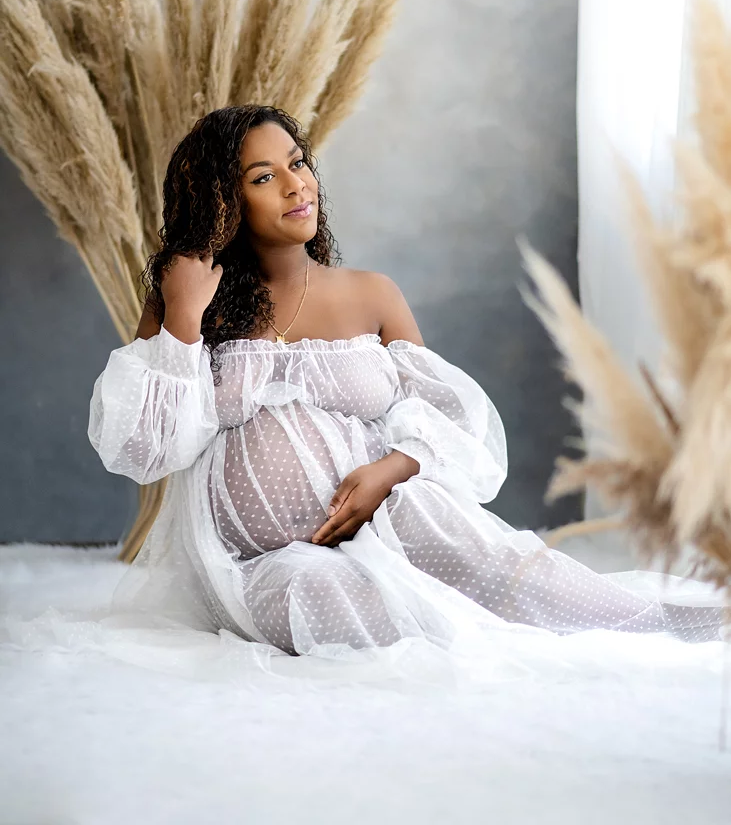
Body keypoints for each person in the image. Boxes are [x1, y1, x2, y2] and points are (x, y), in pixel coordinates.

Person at [87, 105, 723, 670]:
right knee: (338, 595)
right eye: (263, 177)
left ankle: (659, 622)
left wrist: (390, 470)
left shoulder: (370, 294)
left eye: (298, 162)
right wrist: (181, 325)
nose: (295, 184)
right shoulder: (186, 303)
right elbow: (146, 452)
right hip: (253, 564)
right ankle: (500, 652)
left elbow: (453, 415)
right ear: (224, 202)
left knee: (456, 532)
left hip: (387, 517)